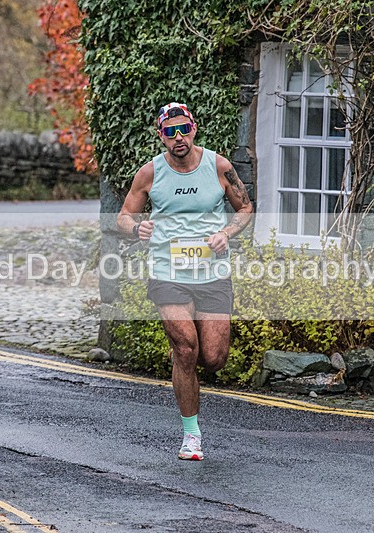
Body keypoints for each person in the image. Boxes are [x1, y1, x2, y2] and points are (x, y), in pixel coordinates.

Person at [117, 102, 253, 460]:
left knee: (214, 358)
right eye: (169, 132)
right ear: (161, 136)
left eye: (183, 130)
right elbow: (122, 218)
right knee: (187, 349)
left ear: (194, 129)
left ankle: (181, 358)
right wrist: (137, 227)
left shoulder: (219, 166)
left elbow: (245, 209)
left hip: (212, 273)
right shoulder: (149, 173)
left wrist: (227, 232)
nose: (178, 138)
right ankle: (191, 436)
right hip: (168, 271)